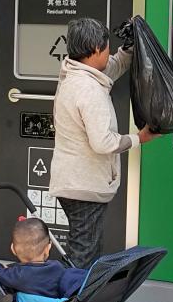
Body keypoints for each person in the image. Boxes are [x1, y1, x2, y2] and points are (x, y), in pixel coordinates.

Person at [50, 17, 161, 269]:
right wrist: (139, 138)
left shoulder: (74, 72)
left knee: (82, 249)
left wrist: (130, 47)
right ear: (95, 50)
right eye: (107, 47)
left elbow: (111, 66)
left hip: (72, 181)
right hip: (84, 185)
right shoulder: (88, 90)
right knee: (84, 257)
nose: (109, 52)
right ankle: (75, 295)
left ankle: (74, 291)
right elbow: (103, 143)